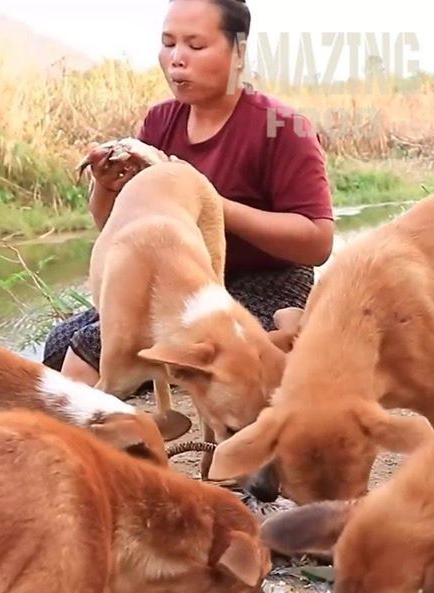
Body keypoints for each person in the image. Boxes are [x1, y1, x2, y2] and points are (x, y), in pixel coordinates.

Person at [42, 0, 335, 388]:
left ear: (239, 53)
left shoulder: (282, 128)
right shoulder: (161, 121)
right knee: (59, 344)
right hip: (180, 281)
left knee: (92, 347)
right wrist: (107, 187)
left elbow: (316, 242)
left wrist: (199, 192)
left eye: (195, 46)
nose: (176, 59)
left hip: (269, 281)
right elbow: (120, 235)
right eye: (168, 43)